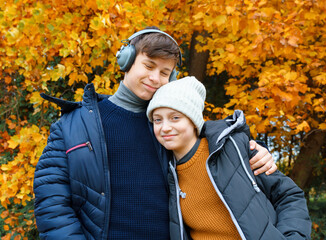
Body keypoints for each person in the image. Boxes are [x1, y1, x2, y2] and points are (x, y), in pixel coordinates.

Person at [33, 27, 276, 240]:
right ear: (127, 62)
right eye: (148, 66)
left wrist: (254, 152)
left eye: (164, 72)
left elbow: (222, 157)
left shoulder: (173, 127)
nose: (154, 78)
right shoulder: (73, 125)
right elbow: (52, 204)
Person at [146, 76, 312, 240]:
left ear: (193, 120)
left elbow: (289, 195)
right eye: (157, 120)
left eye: (175, 118)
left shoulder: (233, 148)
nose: (165, 127)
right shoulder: (165, 170)